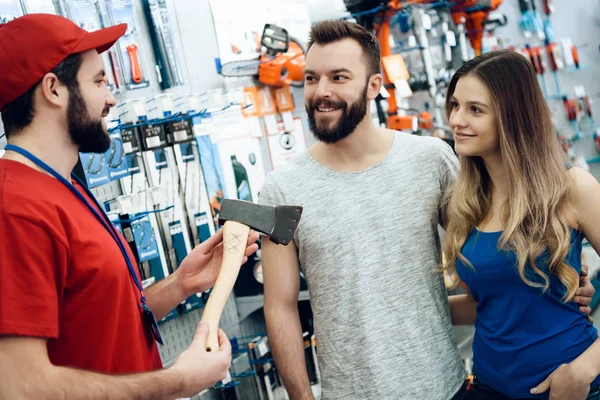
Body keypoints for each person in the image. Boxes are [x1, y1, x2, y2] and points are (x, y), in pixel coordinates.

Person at [257, 19, 596, 400]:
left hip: (447, 387)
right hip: (375, 391)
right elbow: (281, 308)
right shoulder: (281, 189)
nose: (322, 91)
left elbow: (499, 266)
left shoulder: (431, 160)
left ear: (373, 85)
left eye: (338, 77)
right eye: (311, 78)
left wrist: (564, 286)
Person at [0, 14, 259, 399]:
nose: (111, 98)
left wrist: (180, 284)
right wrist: (180, 381)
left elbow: (98, 323)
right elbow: (22, 386)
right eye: (99, 81)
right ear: (54, 89)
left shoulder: (64, 187)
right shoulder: (15, 208)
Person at [442, 50, 600, 400]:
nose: (456, 119)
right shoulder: (468, 202)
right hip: (488, 386)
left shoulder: (572, 188)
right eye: (455, 105)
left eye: (475, 109)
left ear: (513, 117)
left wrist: (586, 368)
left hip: (567, 389)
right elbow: (485, 304)